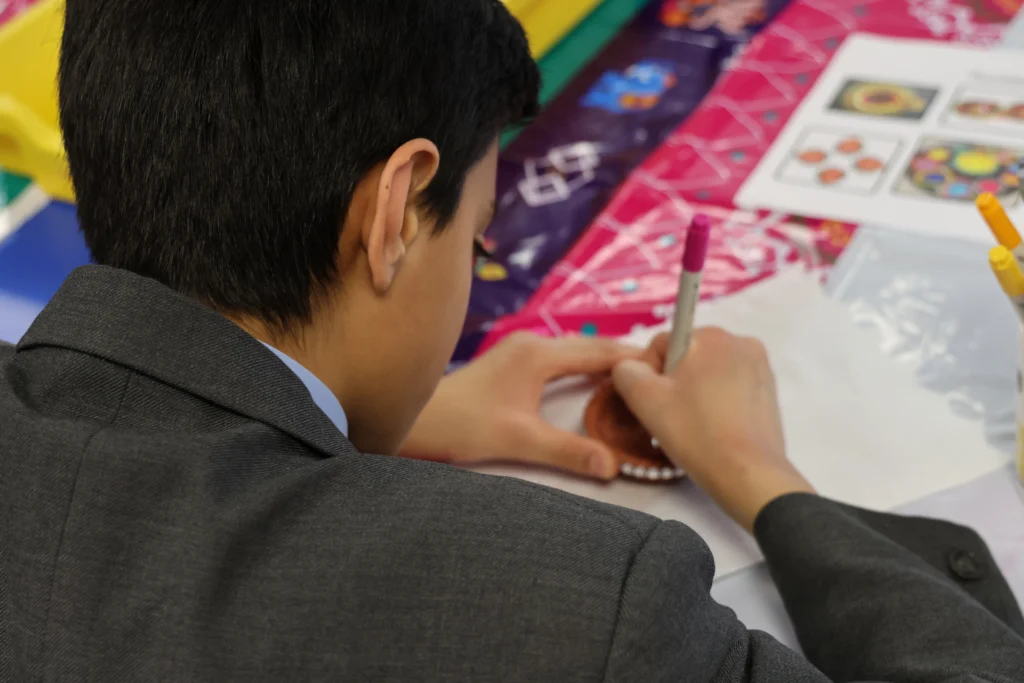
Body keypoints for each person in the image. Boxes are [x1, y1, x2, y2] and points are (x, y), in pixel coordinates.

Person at [1, 1, 1022, 680]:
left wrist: (367, 408)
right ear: (396, 215)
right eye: (478, 235)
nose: (476, 260)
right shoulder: (578, 606)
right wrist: (767, 480)